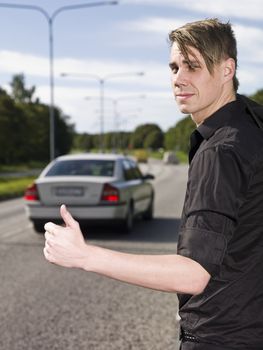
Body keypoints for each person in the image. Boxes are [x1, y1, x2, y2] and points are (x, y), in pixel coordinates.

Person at [44, 18, 263, 349]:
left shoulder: (220, 151)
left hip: (222, 337)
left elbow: (193, 274)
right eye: (174, 67)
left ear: (226, 70)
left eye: (192, 66)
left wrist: (84, 255)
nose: (179, 78)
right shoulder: (252, 123)